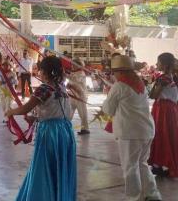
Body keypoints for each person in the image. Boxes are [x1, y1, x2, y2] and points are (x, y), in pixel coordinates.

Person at [5, 56, 76, 200]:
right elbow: (57, 111)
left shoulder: (44, 89)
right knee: (59, 168)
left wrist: (11, 111)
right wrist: (37, 118)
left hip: (50, 133)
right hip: (65, 131)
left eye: (40, 69)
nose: (39, 72)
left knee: (44, 169)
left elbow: (26, 108)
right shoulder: (61, 88)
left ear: (45, 71)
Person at [101, 55, 161, 201]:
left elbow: (108, 110)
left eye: (114, 71)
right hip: (146, 130)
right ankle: (151, 194)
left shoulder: (119, 86)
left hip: (130, 133)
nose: (113, 74)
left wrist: (103, 105)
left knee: (130, 167)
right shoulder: (139, 82)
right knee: (142, 164)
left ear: (120, 72)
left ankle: (133, 197)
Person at [148, 52, 178, 177]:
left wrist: (151, 86)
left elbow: (153, 95)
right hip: (169, 108)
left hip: (163, 109)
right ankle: (159, 164)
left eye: (158, 62)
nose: (156, 64)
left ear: (164, 65)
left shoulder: (163, 78)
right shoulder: (172, 76)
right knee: (167, 135)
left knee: (160, 134)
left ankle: (158, 164)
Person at [67, 58, 90, 135]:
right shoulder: (73, 73)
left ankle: (85, 129)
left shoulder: (81, 73)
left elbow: (75, 80)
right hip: (72, 95)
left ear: (78, 65)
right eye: (72, 64)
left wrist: (65, 76)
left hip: (80, 96)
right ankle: (66, 126)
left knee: (82, 113)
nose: (72, 65)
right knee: (69, 112)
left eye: (74, 64)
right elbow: (71, 81)